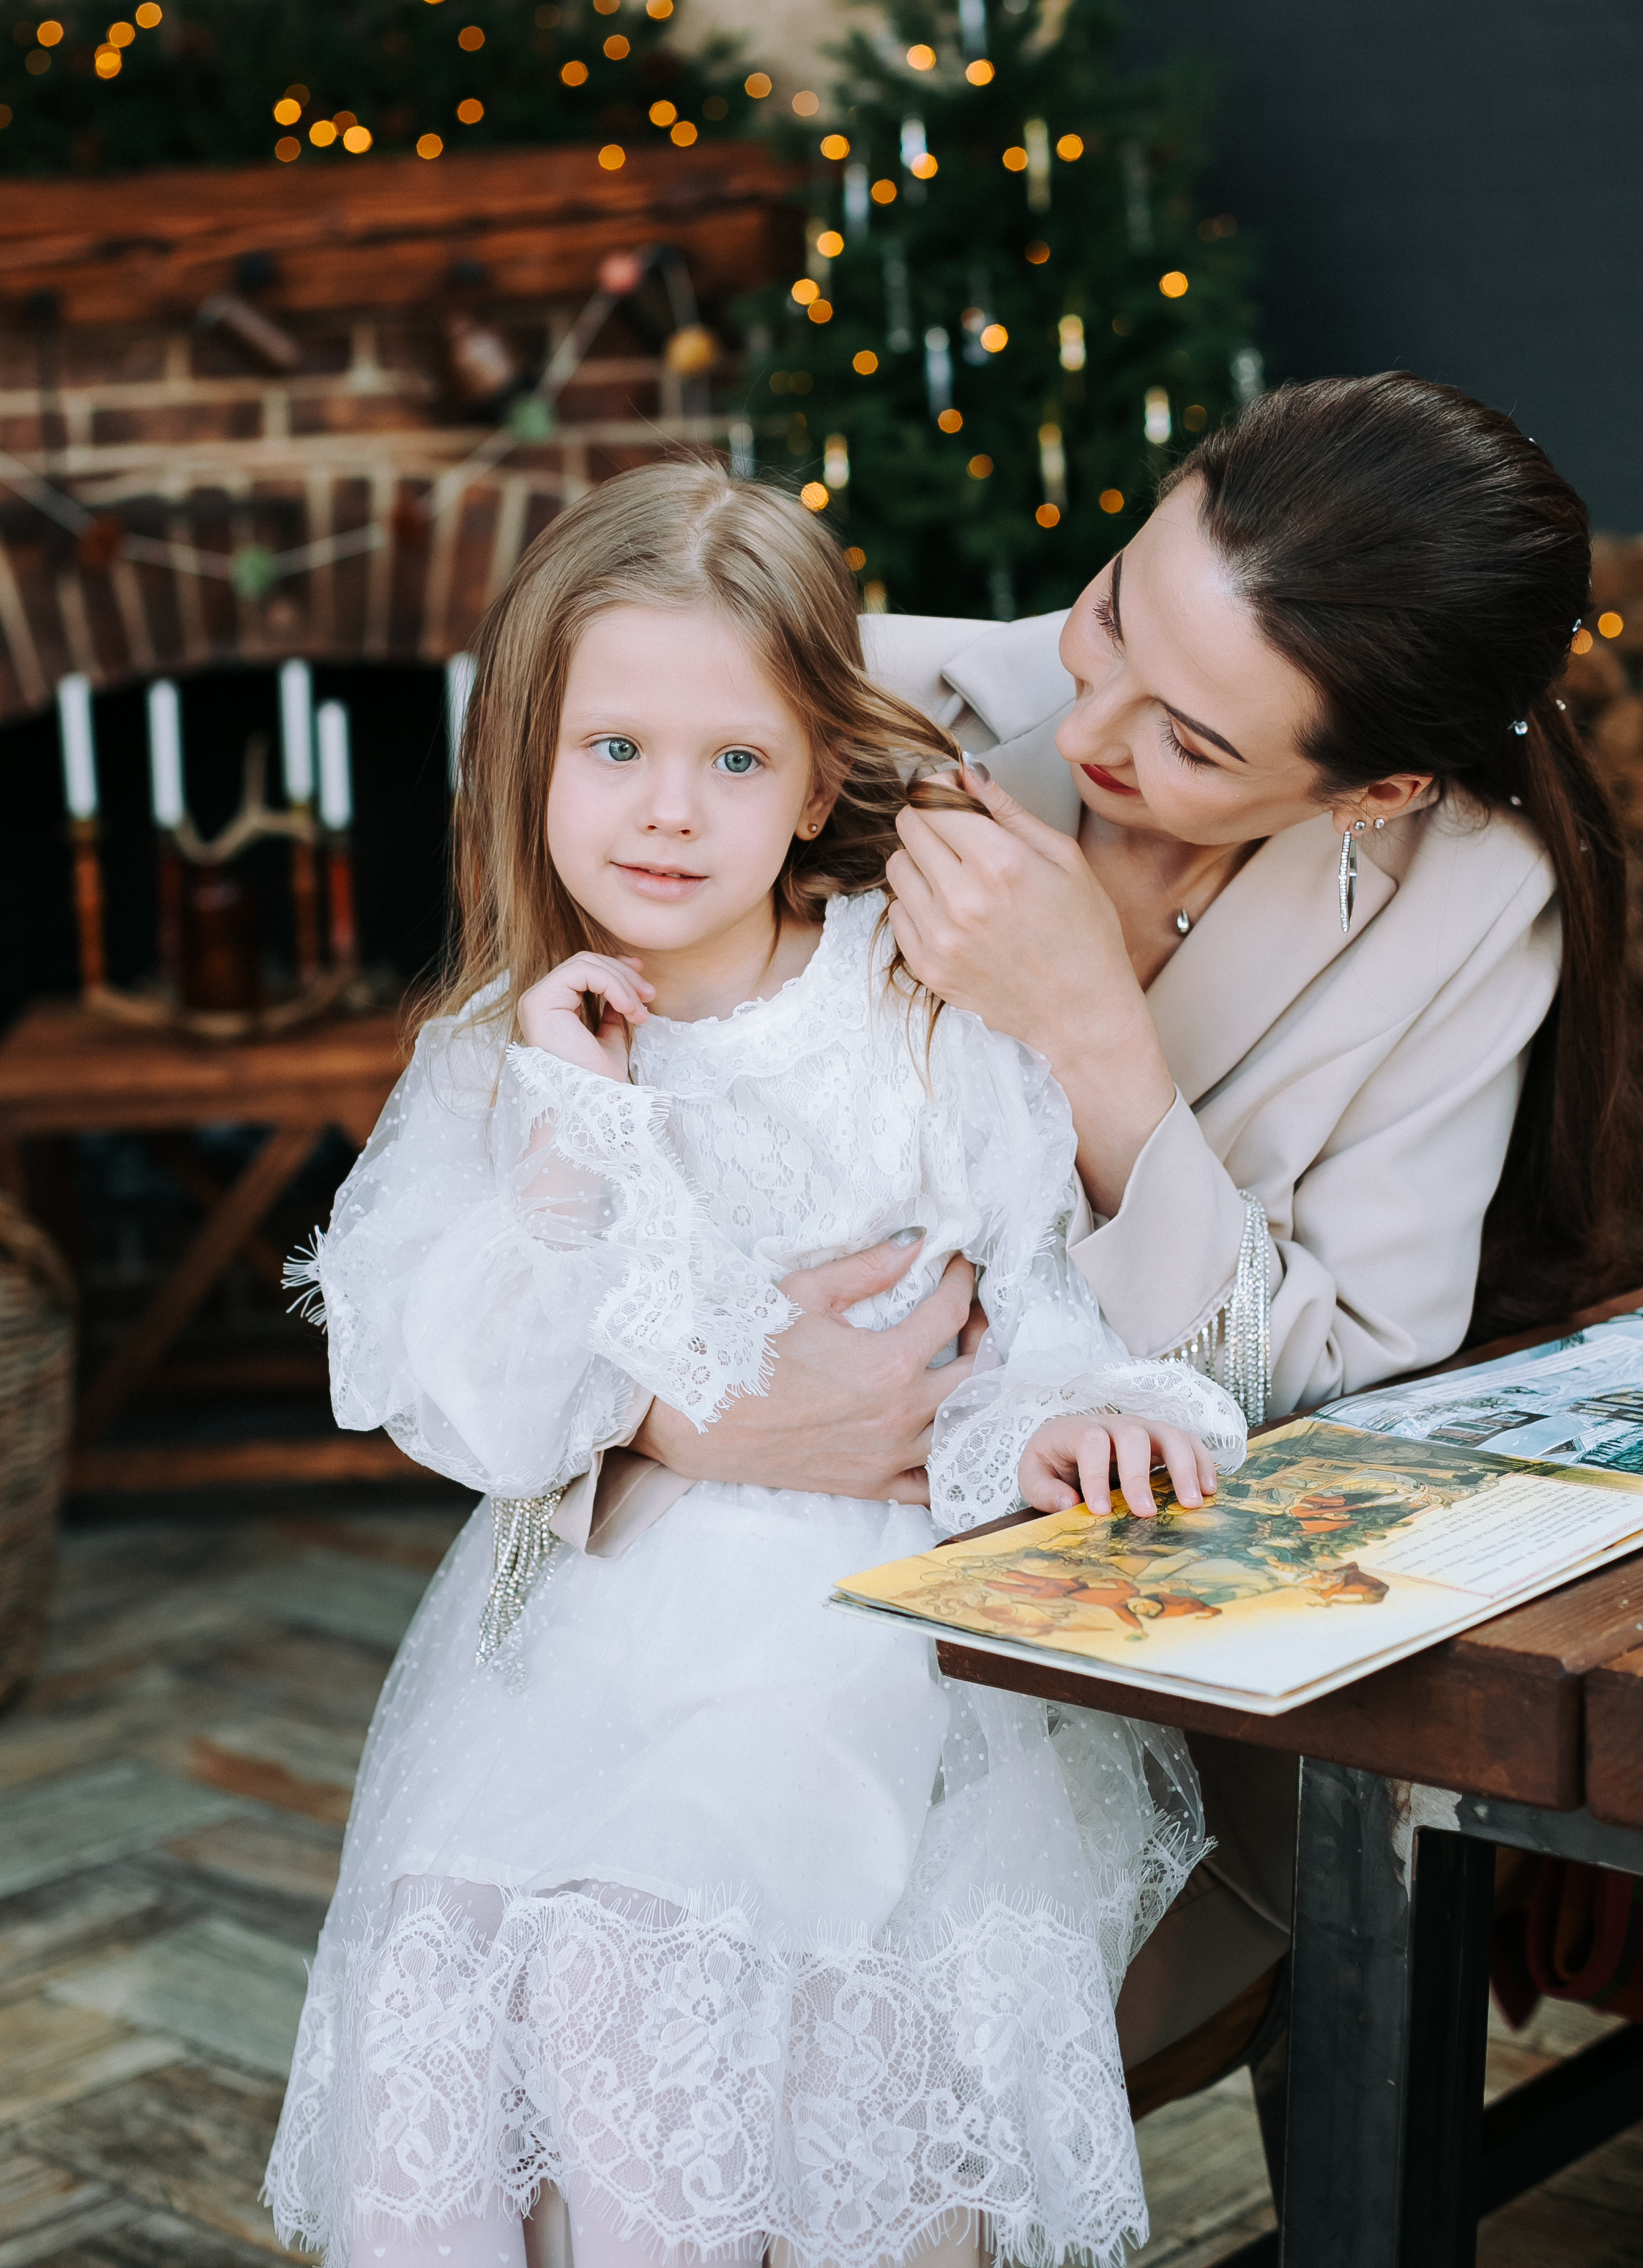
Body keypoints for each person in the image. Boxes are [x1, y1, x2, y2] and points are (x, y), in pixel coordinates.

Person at [262, 464, 1247, 2268]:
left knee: (653, 1935)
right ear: (530, 761)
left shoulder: (909, 1010)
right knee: (475, 1939)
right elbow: (490, 1413)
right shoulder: (500, 1054)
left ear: (812, 781)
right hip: (587, 1632)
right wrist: (571, 1134)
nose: (667, 809)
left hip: (860, 1636)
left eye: (733, 758)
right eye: (613, 749)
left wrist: (1065, 1427)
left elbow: (1028, 1311)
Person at [621, 373, 1634, 2067]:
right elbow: (521, 1166)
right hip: (718, 1612)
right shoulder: (841, 709)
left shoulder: (1467, 901)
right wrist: (697, 1416)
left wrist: (1099, 1043)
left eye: (1194, 742)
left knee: (842, 2060)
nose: (1093, 725)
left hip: (1145, 1694)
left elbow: (1343, 1382)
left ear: (1373, 791)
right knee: (633, 2003)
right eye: (1109, 615)